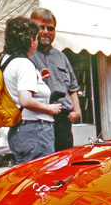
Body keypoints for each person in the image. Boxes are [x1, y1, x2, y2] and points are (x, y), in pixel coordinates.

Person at [2, 17, 62, 164]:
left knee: (25, 178)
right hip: (36, 129)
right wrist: (49, 108)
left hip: (18, 130)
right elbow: (25, 100)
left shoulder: (6, 60)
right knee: (40, 177)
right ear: (30, 41)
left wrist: (37, 79)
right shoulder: (24, 64)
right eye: (35, 38)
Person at [29, 8, 81, 152]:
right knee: (44, 164)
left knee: (65, 161)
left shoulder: (61, 57)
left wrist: (77, 110)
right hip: (38, 120)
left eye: (50, 28)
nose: (46, 31)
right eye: (41, 27)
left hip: (62, 121)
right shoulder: (27, 56)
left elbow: (72, 87)